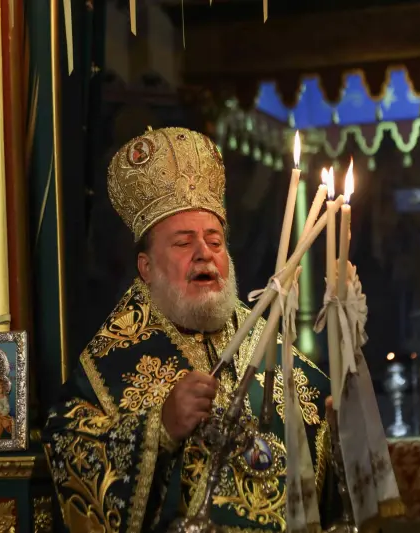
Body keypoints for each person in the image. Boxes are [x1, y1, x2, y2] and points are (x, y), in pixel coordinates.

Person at [43, 127, 340, 532]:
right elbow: (69, 447)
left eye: (215, 242)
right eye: (184, 243)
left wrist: (338, 426)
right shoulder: (109, 365)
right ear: (146, 268)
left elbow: (323, 444)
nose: (205, 254)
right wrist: (160, 428)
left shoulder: (265, 339)